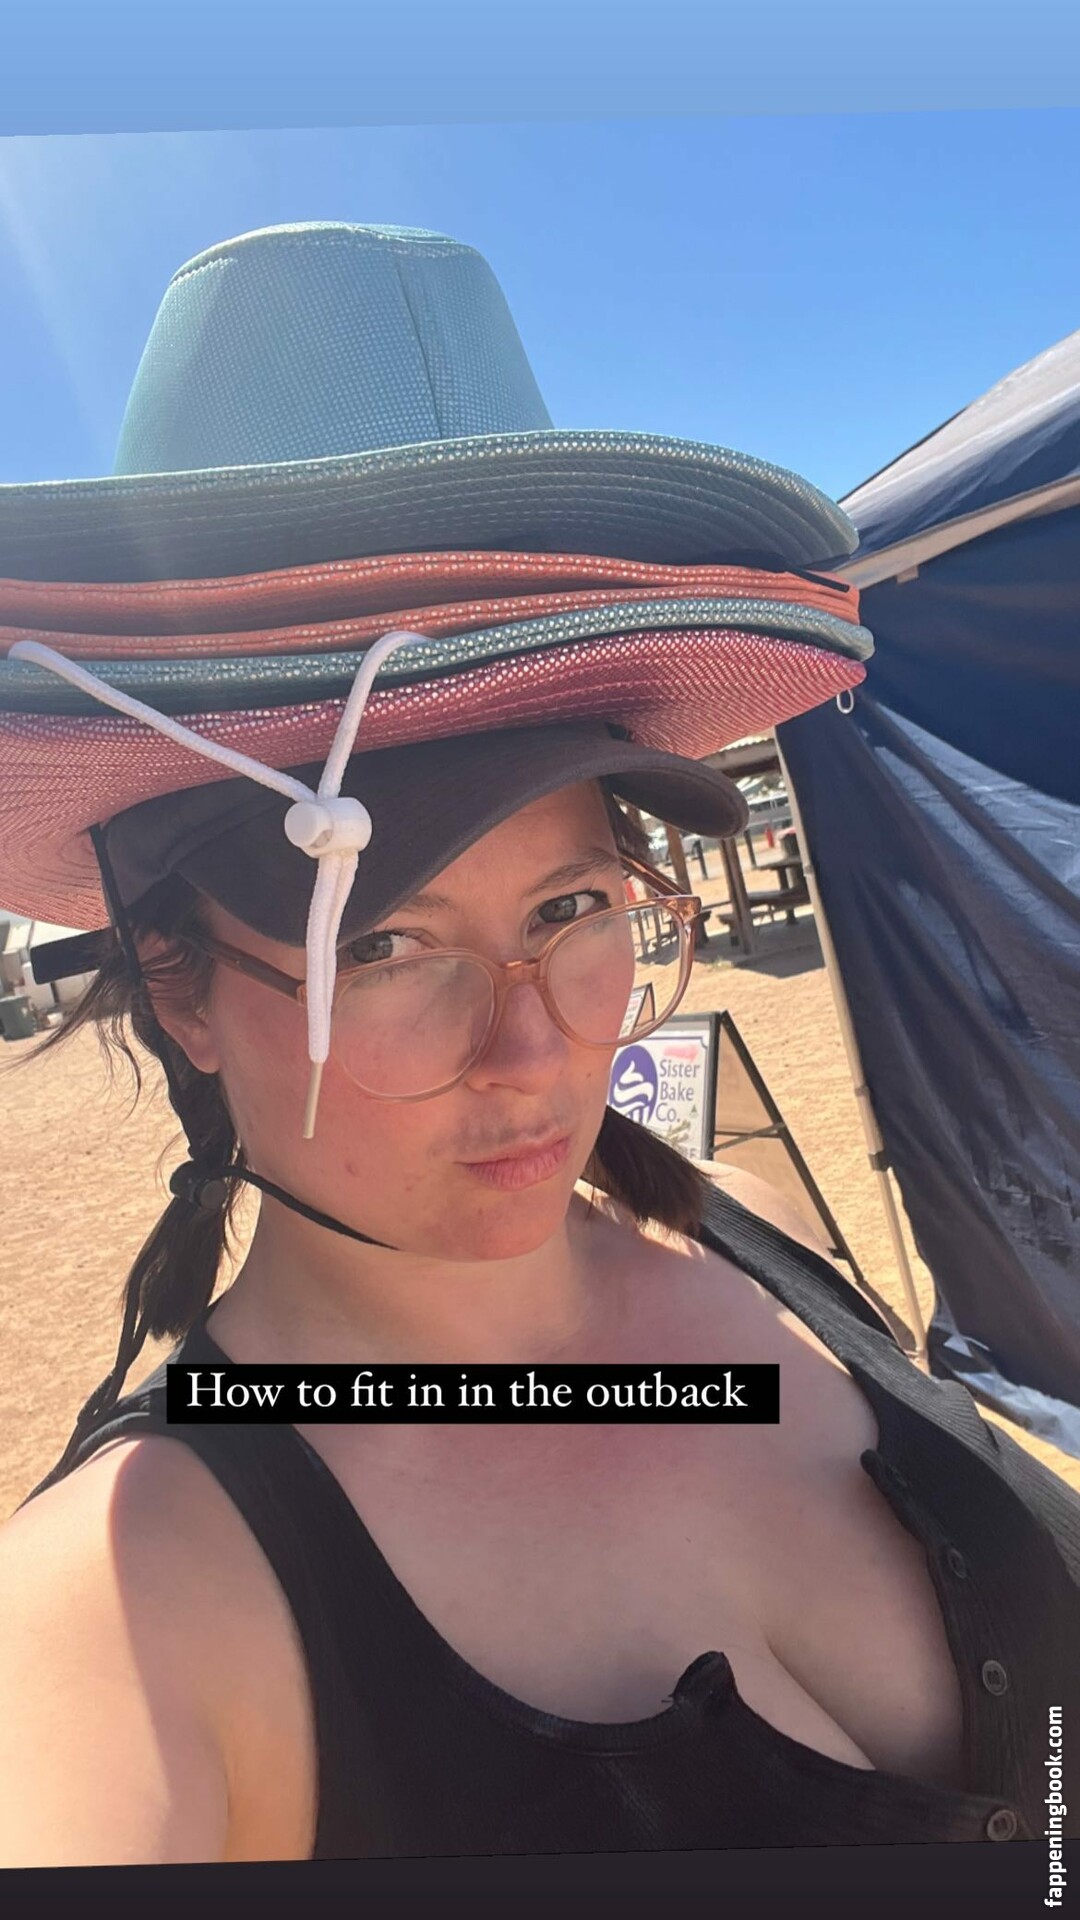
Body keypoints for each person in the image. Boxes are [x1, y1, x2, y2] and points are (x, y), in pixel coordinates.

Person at [0, 221, 1077, 1868]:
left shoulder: (741, 1230)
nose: (532, 1052)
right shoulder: (134, 1604)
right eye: (384, 942)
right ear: (178, 989)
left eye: (573, 907)